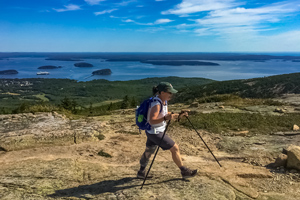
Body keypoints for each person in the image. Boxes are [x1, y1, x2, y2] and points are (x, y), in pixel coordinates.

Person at [137, 82, 197, 179]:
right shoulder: (157, 103)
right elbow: (152, 120)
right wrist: (165, 118)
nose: (171, 94)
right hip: (156, 132)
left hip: (152, 132)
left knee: (149, 150)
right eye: (169, 92)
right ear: (162, 92)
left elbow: (166, 114)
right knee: (175, 148)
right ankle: (184, 171)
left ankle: (141, 172)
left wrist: (178, 115)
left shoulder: (163, 102)